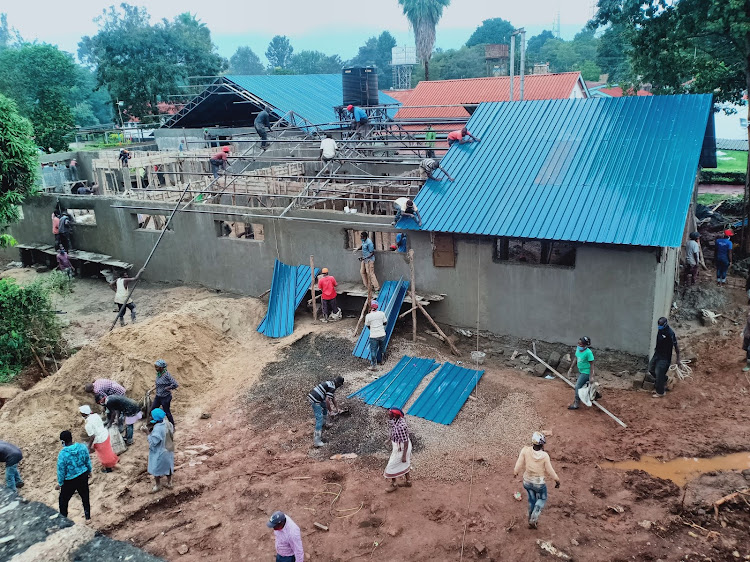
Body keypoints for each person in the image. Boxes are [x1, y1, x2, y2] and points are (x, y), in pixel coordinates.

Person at [513, 432, 560, 529]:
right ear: (542, 444)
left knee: (531, 499)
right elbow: (549, 470)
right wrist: (557, 480)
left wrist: (515, 472)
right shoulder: (544, 456)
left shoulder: (525, 450)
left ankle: (530, 516)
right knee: (542, 498)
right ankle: (534, 518)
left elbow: (519, 463)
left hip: (527, 481)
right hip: (539, 483)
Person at [56, 430, 91, 523]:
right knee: (85, 496)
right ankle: (88, 518)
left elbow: (61, 470)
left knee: (63, 500)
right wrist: (89, 471)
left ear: (63, 442)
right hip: (83, 475)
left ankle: (64, 519)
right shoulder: (82, 447)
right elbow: (87, 460)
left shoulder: (63, 454)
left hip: (70, 480)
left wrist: (60, 483)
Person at [79, 405, 118, 473]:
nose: (80, 414)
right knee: (108, 451)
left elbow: (92, 436)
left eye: (81, 413)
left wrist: (89, 446)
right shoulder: (96, 415)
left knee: (103, 456)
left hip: (100, 441)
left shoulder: (88, 425)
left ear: (84, 413)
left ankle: (108, 468)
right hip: (105, 434)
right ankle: (114, 460)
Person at [648, 317, 681, 398]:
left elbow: (676, 346)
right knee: (651, 369)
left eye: (661, 325)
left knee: (659, 373)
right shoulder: (660, 330)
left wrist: (678, 359)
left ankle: (660, 392)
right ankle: (666, 379)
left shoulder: (670, 333)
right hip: (657, 354)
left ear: (665, 324)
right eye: (658, 324)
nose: (659, 326)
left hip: (665, 358)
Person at [307, 376, 344, 447]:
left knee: (324, 407)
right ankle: (317, 441)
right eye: (340, 385)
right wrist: (331, 411)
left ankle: (324, 424)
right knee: (319, 419)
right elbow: (327, 400)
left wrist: (337, 409)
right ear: (339, 384)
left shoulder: (331, 384)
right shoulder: (333, 387)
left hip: (316, 397)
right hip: (315, 399)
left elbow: (333, 398)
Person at [383, 408, 412, 492]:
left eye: (390, 413)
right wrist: (390, 439)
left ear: (394, 415)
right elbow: (393, 430)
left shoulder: (401, 427)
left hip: (402, 447)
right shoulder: (395, 420)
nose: (388, 414)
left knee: (391, 465)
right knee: (405, 464)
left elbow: (405, 442)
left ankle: (394, 484)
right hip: (399, 445)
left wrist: (404, 456)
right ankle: (408, 481)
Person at [147, 408, 175, 493]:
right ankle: (169, 483)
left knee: (155, 468)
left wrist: (147, 433)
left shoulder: (157, 429)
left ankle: (157, 485)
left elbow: (154, 442)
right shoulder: (168, 423)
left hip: (160, 452)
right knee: (169, 466)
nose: (150, 417)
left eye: (152, 416)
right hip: (168, 448)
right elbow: (172, 432)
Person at [567, 336, 594, 410]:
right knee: (584, 386)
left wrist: (591, 376)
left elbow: (592, 365)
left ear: (585, 345)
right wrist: (571, 368)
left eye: (581, 345)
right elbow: (576, 358)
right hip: (581, 371)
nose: (579, 346)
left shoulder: (588, 353)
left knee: (577, 386)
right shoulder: (578, 350)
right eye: (578, 344)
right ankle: (595, 395)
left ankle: (576, 404)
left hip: (586, 372)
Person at [150, 359, 178, 427]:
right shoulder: (158, 374)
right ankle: (155, 424)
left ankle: (172, 426)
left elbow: (175, 384)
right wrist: (151, 389)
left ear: (161, 368)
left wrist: (168, 388)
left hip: (165, 397)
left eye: (157, 367)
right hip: (158, 396)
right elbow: (158, 384)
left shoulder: (167, 375)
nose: (155, 368)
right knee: (152, 410)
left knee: (167, 412)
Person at [365, 301, 388, 371]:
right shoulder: (382, 314)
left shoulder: (368, 316)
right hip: (382, 334)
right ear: (377, 307)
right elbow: (385, 323)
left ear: (371, 307)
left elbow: (367, 325)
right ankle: (382, 361)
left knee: (373, 351)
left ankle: (374, 366)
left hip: (373, 336)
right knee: (382, 348)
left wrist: (372, 328)